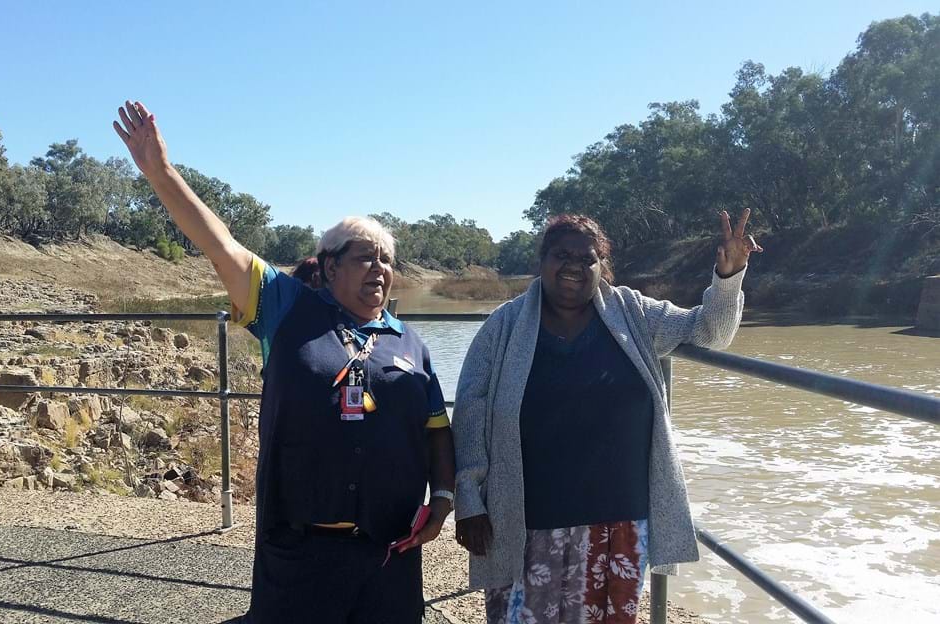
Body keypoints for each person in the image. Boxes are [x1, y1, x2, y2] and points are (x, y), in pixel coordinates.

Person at [112, 101, 455, 624]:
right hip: (301, 551)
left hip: (391, 552)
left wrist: (445, 497)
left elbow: (436, 429)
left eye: (387, 260)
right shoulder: (286, 307)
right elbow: (218, 243)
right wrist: (160, 171)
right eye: (365, 256)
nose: (380, 269)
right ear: (331, 264)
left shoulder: (408, 341)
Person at [452, 212, 762, 624]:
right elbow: (470, 408)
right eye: (562, 255)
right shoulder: (503, 326)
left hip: (619, 520)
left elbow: (709, 332)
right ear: (542, 261)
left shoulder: (632, 312)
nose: (574, 267)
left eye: (588, 258)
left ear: (603, 267)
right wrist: (469, 499)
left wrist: (729, 274)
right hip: (528, 518)